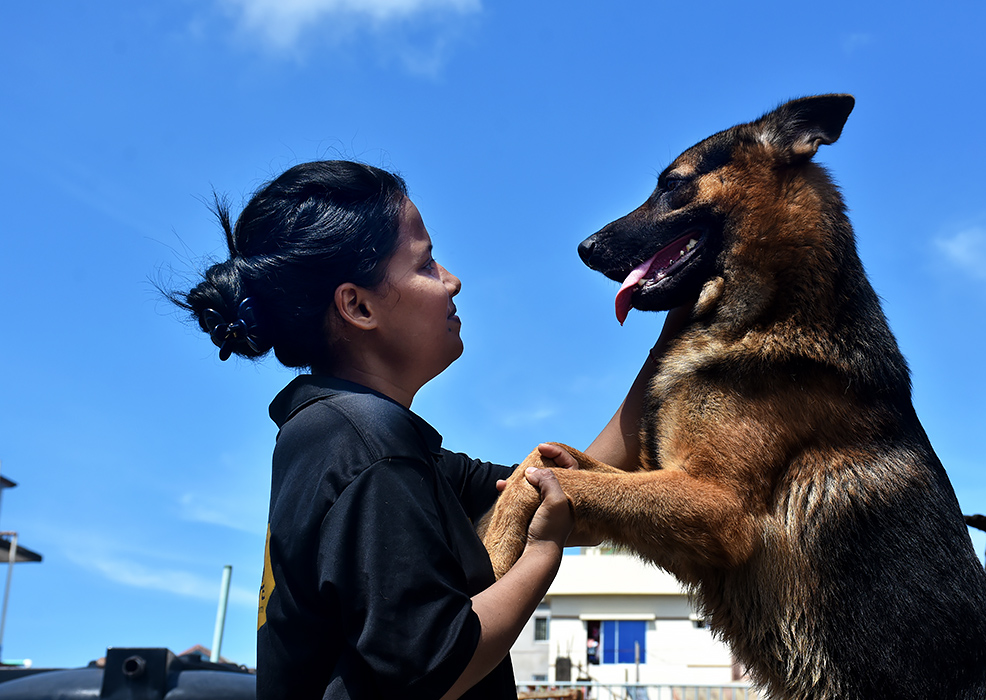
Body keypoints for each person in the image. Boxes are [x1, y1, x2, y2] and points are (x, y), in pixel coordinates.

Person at [174, 160, 679, 699]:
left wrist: (678, 337)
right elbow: (437, 667)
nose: (452, 280)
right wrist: (541, 554)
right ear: (358, 305)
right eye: (427, 264)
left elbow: (567, 487)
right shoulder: (367, 447)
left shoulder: (356, 438)